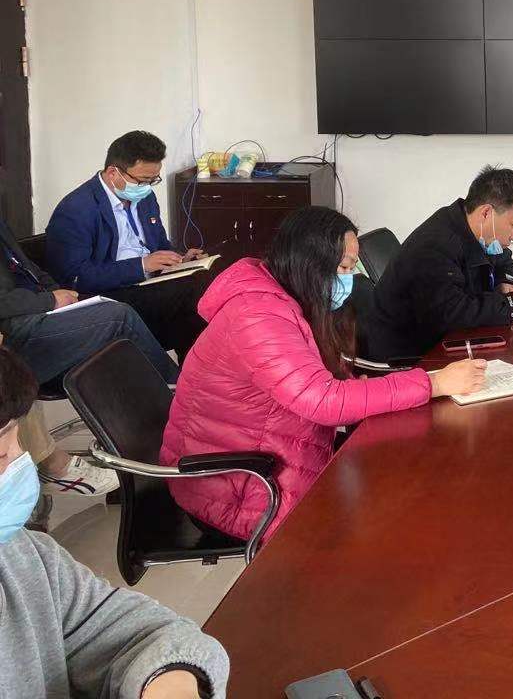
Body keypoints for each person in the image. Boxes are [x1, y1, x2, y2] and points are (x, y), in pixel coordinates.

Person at [161, 207, 487, 543]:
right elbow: (321, 400)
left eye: (352, 268)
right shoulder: (256, 315)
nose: (349, 279)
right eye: (344, 267)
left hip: (280, 453)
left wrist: (360, 389)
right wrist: (433, 383)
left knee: (409, 470)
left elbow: (316, 385)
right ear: (310, 263)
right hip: (237, 485)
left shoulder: (291, 299)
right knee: (397, 514)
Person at [0, 345, 229, 698]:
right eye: (2, 452)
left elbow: (137, 633)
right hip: (232, 493)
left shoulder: (26, 558)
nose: (22, 462)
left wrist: (168, 680)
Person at [1, 211, 176, 498]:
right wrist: (49, 300)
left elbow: (28, 268)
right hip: (13, 330)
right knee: (117, 318)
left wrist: (58, 293)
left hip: (34, 313)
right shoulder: (79, 207)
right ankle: (181, 406)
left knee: (138, 316)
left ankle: (148, 442)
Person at [47, 130, 211, 359]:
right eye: (142, 180)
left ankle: (197, 371)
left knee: (210, 278)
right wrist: (141, 266)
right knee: (193, 294)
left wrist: (181, 258)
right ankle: (195, 372)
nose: (147, 187)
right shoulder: (77, 209)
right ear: (113, 172)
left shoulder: (144, 198)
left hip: (148, 281)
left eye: (153, 180)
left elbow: (159, 243)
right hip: (108, 293)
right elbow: (75, 278)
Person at [367, 166, 513, 361]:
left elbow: (504, 262)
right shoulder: (435, 246)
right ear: (486, 213)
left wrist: (504, 283)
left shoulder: (478, 231)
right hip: (410, 357)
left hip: (447, 342)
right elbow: (451, 315)